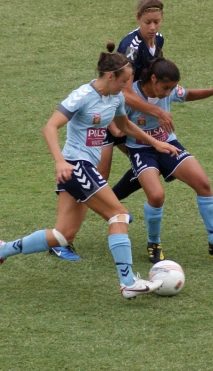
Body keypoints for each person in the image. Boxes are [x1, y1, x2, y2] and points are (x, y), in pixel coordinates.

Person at [0, 42, 180, 299]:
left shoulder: (116, 97)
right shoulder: (81, 96)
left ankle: (1, 249)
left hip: (82, 168)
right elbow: (49, 127)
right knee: (118, 215)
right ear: (110, 77)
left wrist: (155, 143)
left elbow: (125, 126)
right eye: (124, 81)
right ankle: (128, 281)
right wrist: (59, 161)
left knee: (63, 235)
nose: (127, 87)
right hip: (75, 165)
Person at [50, 0, 172, 261]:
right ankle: (66, 235)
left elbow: (140, 86)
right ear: (137, 18)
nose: (153, 27)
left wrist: (152, 135)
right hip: (108, 120)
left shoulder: (157, 41)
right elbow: (126, 91)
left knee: (141, 161)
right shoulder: (129, 49)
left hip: (120, 116)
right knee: (101, 178)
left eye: (157, 21)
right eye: (147, 22)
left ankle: (73, 228)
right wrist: (156, 112)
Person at [123, 57, 213, 263]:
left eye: (171, 88)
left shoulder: (169, 91)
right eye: (165, 87)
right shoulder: (131, 95)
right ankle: (154, 243)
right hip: (141, 150)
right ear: (153, 79)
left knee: (203, 183)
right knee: (157, 196)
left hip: (169, 145)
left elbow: (186, 94)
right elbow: (119, 126)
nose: (168, 93)